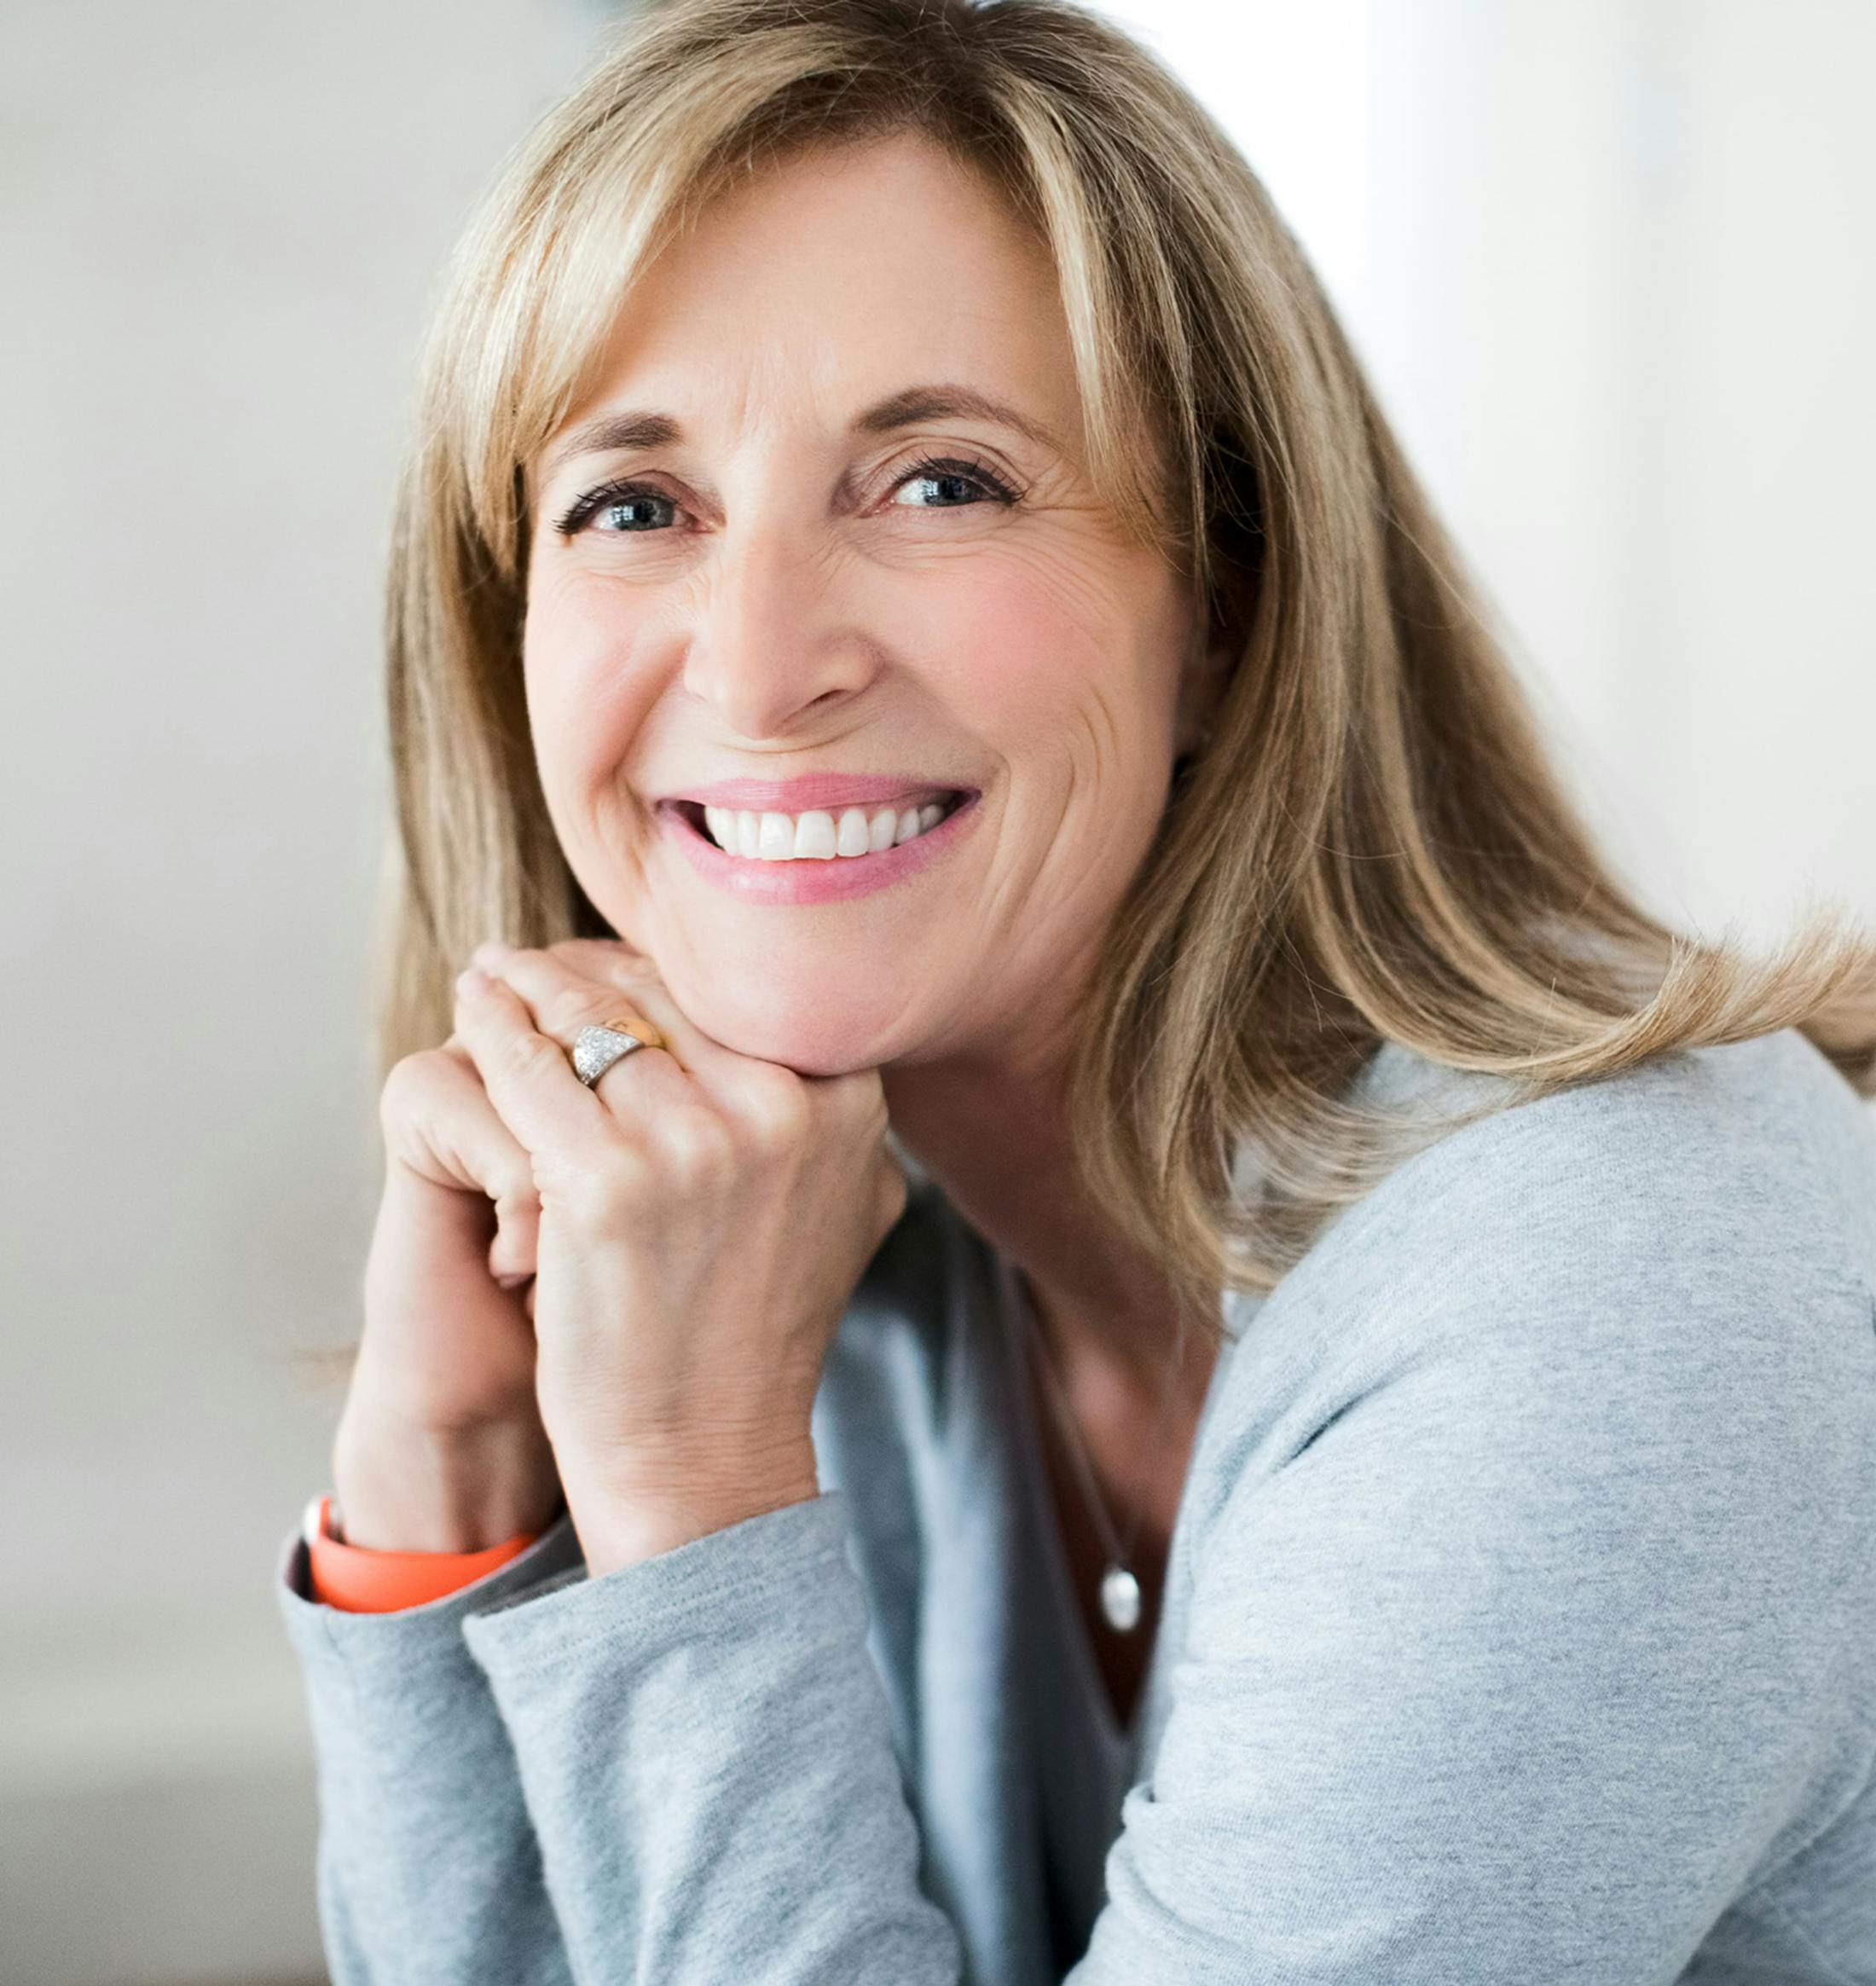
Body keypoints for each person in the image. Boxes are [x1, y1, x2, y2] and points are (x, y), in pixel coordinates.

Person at [273, 0, 1876, 1979]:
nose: (761, 665)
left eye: (939, 482)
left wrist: (691, 1499)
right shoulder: (786, 1230)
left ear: (1224, 605)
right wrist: (449, 1477)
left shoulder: (1612, 1280)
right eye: (634, 505)